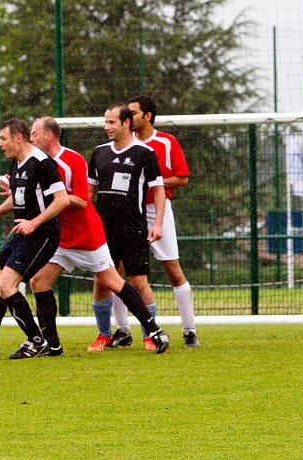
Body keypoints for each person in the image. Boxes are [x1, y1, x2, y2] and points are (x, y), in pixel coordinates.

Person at [28, 117, 170, 353]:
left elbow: (82, 200)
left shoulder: (71, 159)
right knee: (38, 282)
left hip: (86, 236)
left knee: (114, 282)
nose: (31, 139)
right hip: (62, 238)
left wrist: (57, 195)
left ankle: (154, 331)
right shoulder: (37, 162)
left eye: (34, 134)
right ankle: (52, 345)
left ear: (48, 135)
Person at [0, 118, 69, 361]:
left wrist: (34, 222)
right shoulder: (18, 164)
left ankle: (36, 340)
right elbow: (19, 197)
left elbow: (62, 199)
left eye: (3, 138)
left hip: (42, 234)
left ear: (19, 138)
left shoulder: (42, 163)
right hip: (22, 233)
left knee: (6, 284)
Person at [109, 95, 200, 348]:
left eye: (134, 113)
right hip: (128, 213)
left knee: (173, 271)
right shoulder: (124, 144)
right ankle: (123, 330)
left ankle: (189, 330)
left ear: (147, 116)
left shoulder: (166, 142)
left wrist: (152, 180)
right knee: (117, 272)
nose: (130, 117)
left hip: (155, 211)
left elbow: (182, 178)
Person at [88, 104, 171, 353]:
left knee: (138, 281)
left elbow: (158, 190)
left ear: (126, 123)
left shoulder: (144, 153)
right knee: (101, 282)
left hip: (134, 228)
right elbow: (90, 192)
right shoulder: (99, 153)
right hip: (103, 231)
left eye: (112, 122)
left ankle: (150, 334)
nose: (107, 127)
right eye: (105, 122)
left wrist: (156, 224)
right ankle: (104, 334)